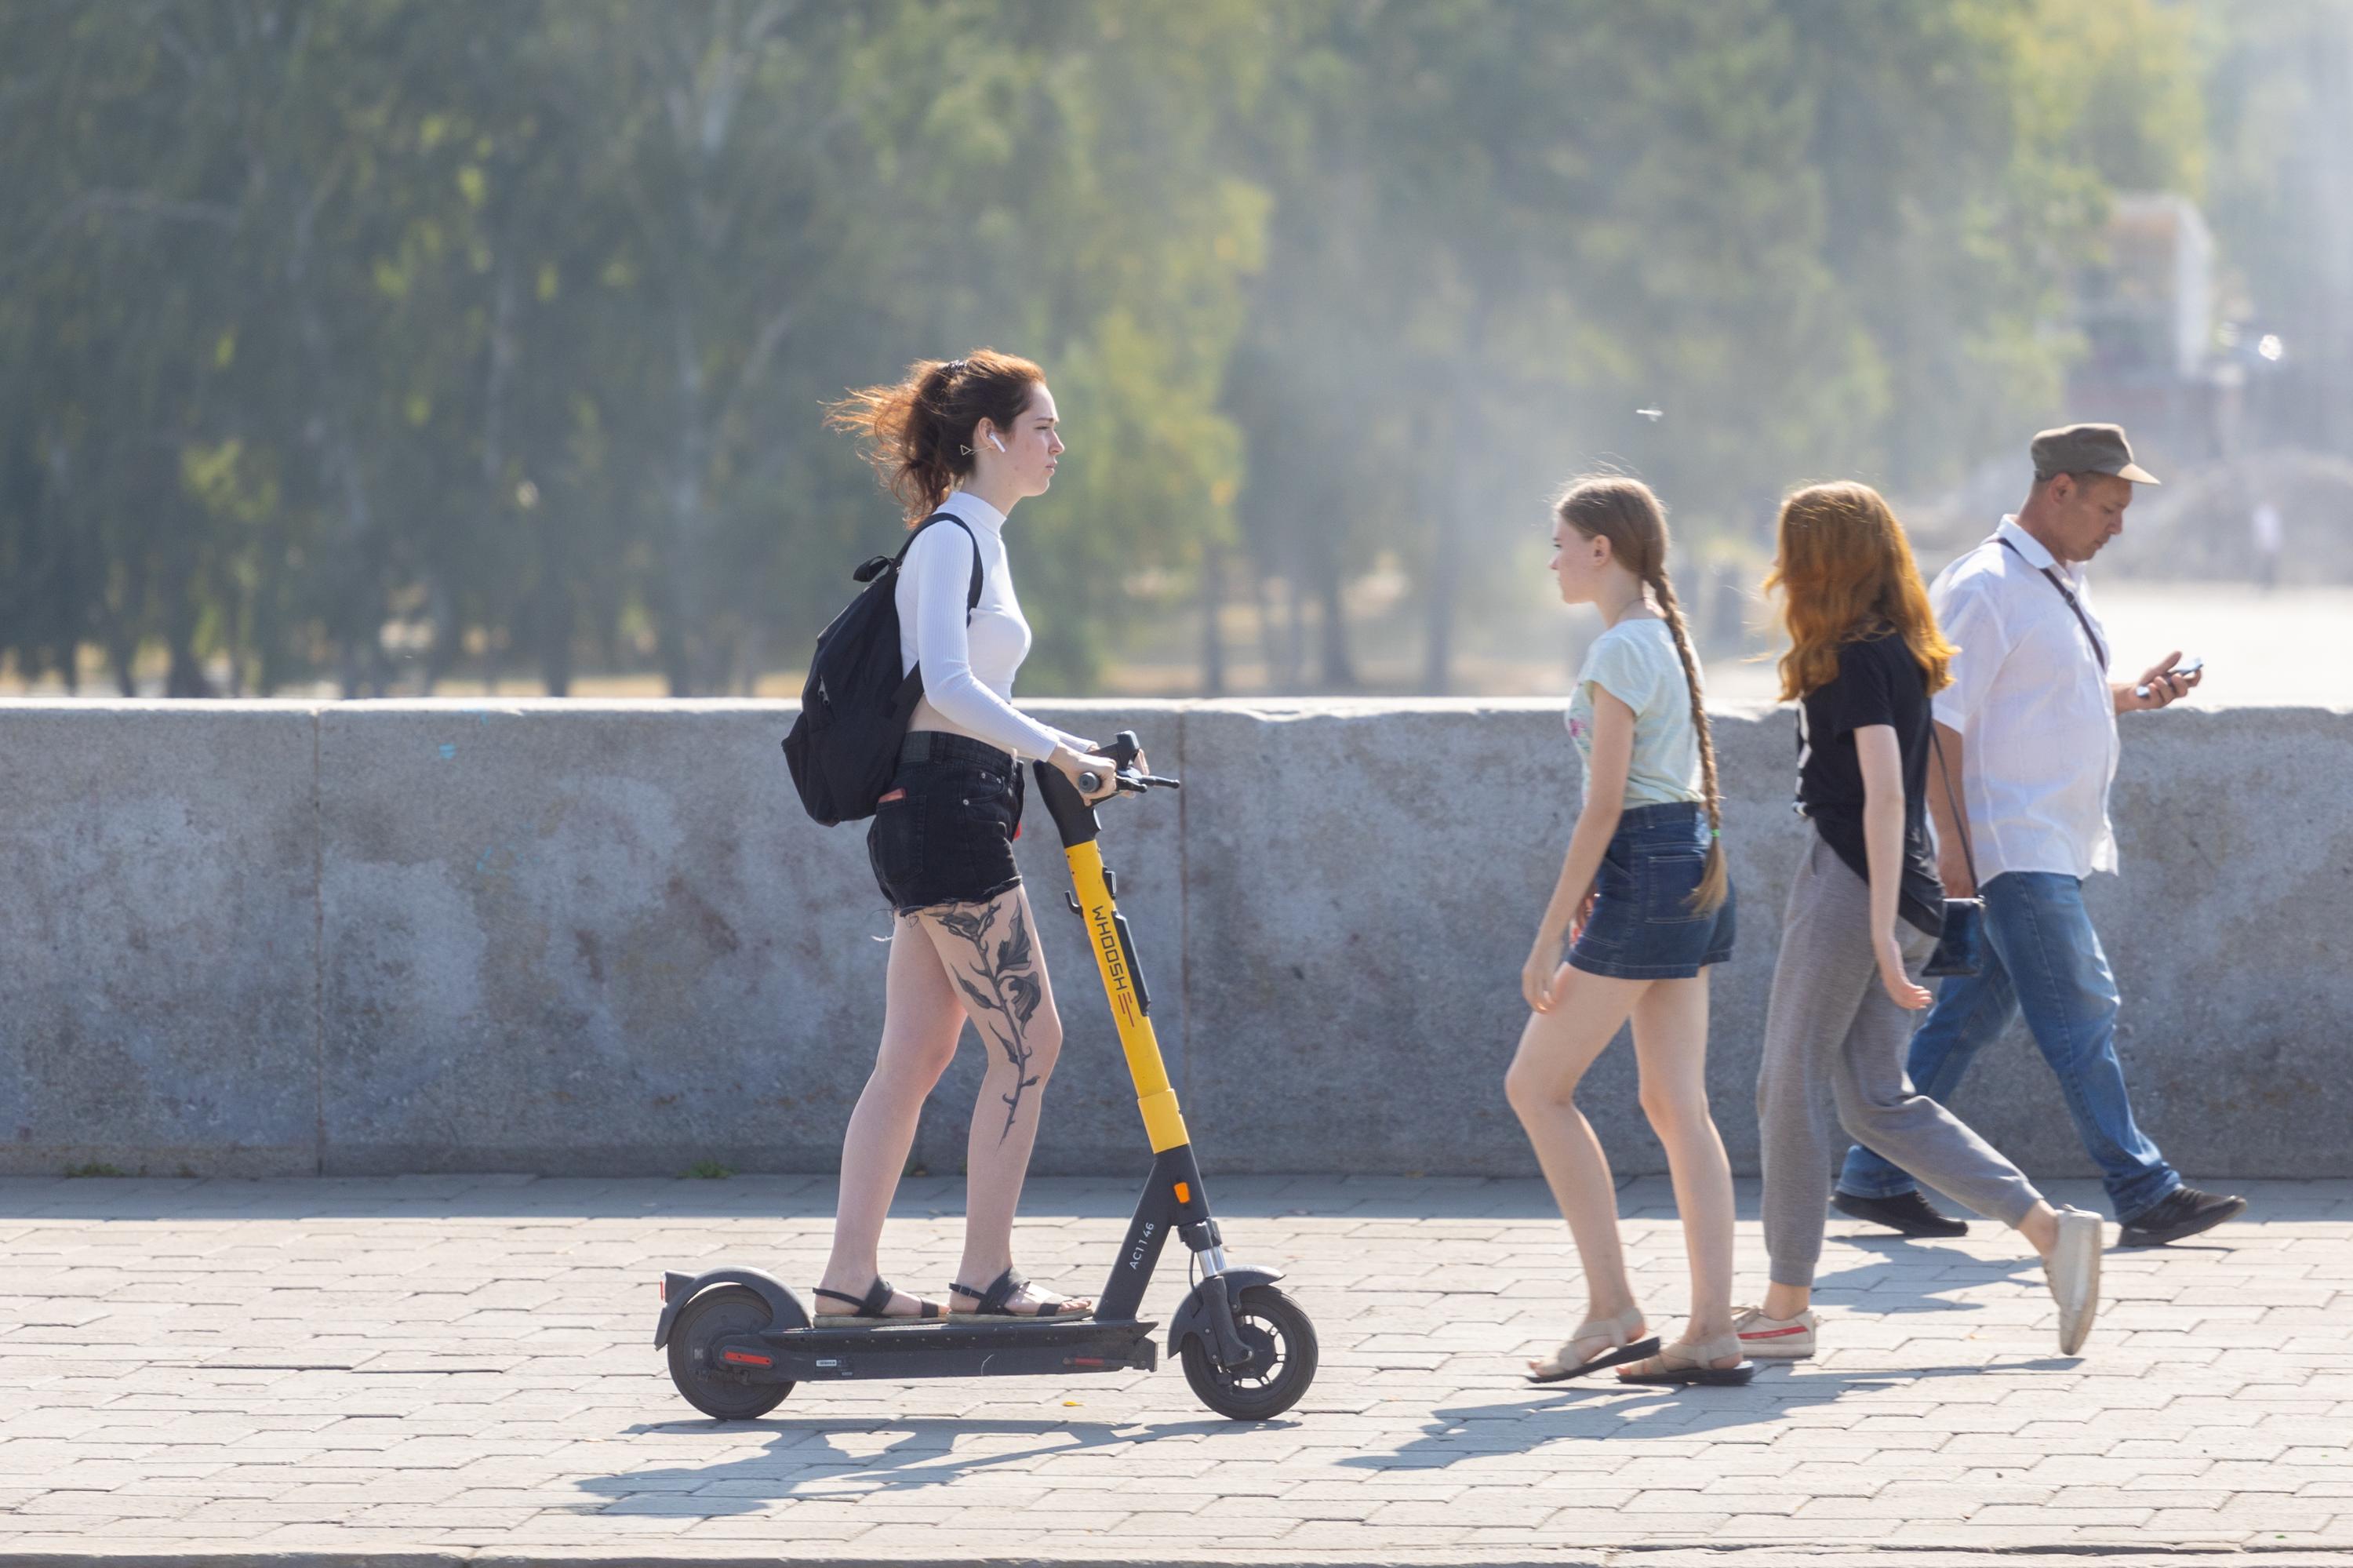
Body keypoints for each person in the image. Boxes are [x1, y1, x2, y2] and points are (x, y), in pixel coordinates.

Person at [1831, 424, 2244, 1250]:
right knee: (2082, 1008)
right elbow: (1939, 725)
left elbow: (2042, 698)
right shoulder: (1986, 583)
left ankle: (1874, 1173)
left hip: (2048, 838)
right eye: (2108, 505)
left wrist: (2131, 695)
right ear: (2059, 489)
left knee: (1966, 1018)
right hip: (2007, 845)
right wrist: (1954, 855)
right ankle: (2143, 1186)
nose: (2118, 524)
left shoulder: (2055, 579)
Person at [1740, 482, 2103, 1362]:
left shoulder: (1858, 655)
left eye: (1793, 550)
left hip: (1854, 885)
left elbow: (1886, 792)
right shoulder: (1896, 646)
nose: (1780, 568)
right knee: (1875, 1100)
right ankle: (2052, 1232)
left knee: (1786, 1081)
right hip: (1894, 888)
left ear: (1823, 560)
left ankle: (1786, 1304)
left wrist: (1871, 930)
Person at [812, 350, 1122, 1322]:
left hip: (956, 808)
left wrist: (1058, 749)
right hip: (946, 815)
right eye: (1043, 428)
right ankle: (986, 1276)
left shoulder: (983, 536)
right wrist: (1059, 751)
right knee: (1032, 1043)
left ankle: (848, 1281)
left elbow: (975, 695)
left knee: (912, 1058)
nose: (1057, 446)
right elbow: (947, 686)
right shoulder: (952, 539)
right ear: (990, 437)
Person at [1507, 475, 1752, 1388]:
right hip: (1684, 865)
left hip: (1646, 873)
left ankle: (1614, 1305)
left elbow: (1604, 805)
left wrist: (1545, 938)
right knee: (1678, 1106)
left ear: (1603, 548)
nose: (1555, 557)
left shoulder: (1616, 653)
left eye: (1563, 541)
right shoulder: (1663, 642)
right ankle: (1712, 1329)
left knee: (1536, 1084)